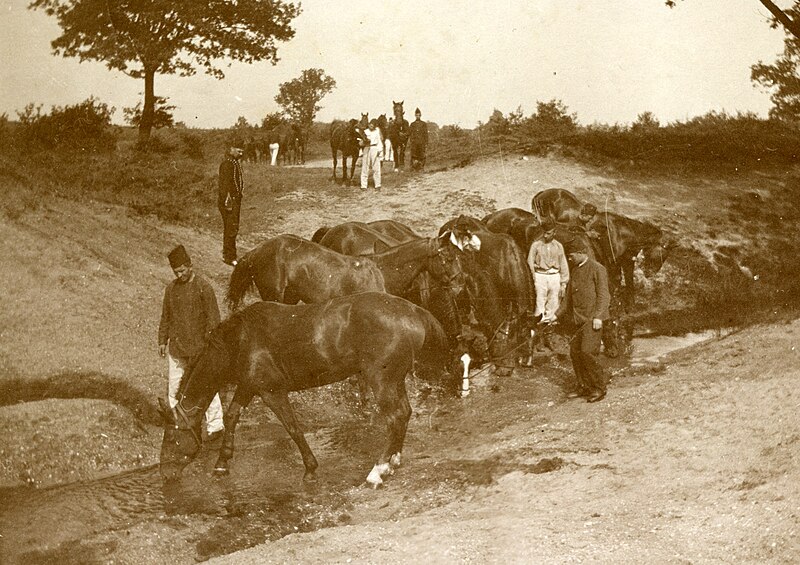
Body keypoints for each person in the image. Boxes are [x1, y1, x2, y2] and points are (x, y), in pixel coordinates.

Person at [158, 245, 225, 440]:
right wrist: (162, 340)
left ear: (190, 266)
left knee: (206, 388)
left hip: (200, 350)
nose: (179, 275)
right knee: (174, 388)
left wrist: (208, 347)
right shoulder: (171, 290)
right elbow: (166, 317)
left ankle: (215, 426)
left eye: (182, 271)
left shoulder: (204, 288)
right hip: (177, 349)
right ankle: (177, 422)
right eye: (176, 272)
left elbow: (213, 320)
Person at [557, 239, 611, 403]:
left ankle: (598, 388)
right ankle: (583, 386)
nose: (569, 258)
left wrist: (598, 317)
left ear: (581, 253)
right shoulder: (574, 270)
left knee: (587, 352)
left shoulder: (597, 269)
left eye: (571, 255)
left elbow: (604, 295)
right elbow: (567, 299)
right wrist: (555, 315)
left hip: (592, 320)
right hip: (577, 320)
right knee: (575, 353)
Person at [527, 219, 569, 350]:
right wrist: (533, 279)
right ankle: (537, 338)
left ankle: (549, 336)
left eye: (549, 233)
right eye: (544, 233)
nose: (546, 236)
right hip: (540, 275)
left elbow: (563, 264)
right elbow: (529, 263)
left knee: (553, 305)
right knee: (540, 305)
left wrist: (563, 282)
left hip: (554, 276)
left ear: (554, 233)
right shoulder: (536, 245)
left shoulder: (558, 246)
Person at [218, 141, 244, 266]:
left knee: (232, 227)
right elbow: (224, 185)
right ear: (231, 149)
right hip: (230, 201)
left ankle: (228, 254)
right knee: (231, 228)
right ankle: (229, 256)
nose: (241, 153)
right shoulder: (227, 163)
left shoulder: (233, 163)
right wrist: (227, 201)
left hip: (234, 200)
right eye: (238, 151)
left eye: (242, 151)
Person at [360, 119, 383, 190]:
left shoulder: (377, 131)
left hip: (374, 148)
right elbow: (360, 142)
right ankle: (363, 185)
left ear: (375, 126)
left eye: (373, 125)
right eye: (370, 124)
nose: (371, 125)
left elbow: (379, 141)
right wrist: (363, 142)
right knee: (365, 166)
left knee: (376, 167)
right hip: (367, 148)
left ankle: (377, 184)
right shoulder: (365, 131)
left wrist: (380, 150)